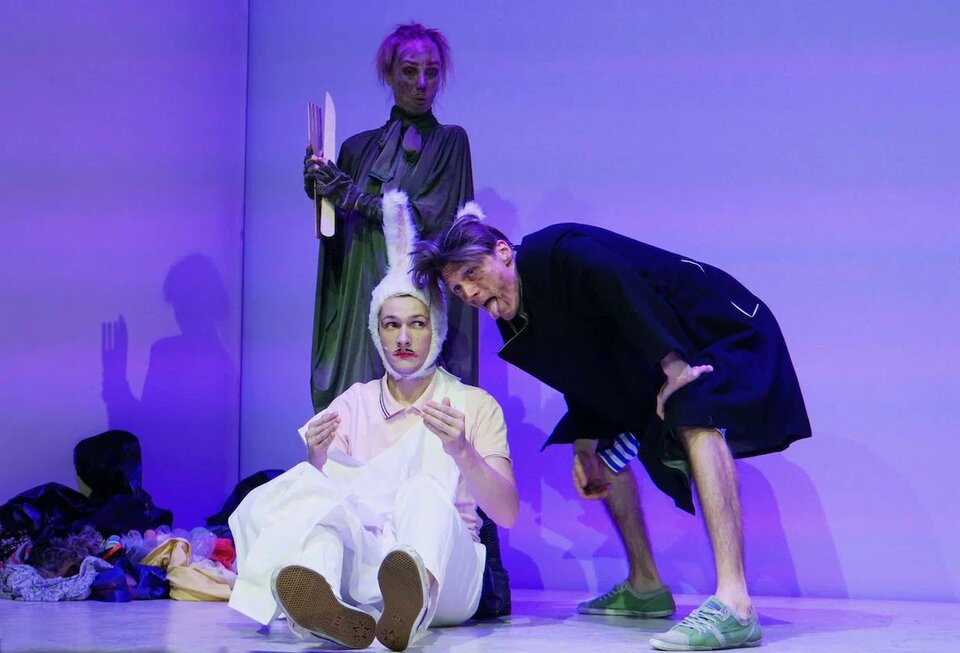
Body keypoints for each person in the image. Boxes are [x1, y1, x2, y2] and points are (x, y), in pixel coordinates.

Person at [411, 212, 812, 651]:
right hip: (654, 358)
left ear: (503, 253)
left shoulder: (554, 252)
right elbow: (579, 367)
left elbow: (624, 286)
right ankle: (646, 584)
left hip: (716, 330)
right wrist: (585, 445)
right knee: (603, 453)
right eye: (458, 289)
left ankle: (736, 603)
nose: (469, 293)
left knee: (693, 407)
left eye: (471, 274)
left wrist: (674, 366)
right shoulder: (516, 316)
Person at [229, 192, 517, 651]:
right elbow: (328, 501)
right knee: (310, 496)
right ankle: (324, 610)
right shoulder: (352, 404)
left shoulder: (473, 404)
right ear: (376, 331)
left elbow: (507, 514)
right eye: (390, 324)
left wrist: (462, 450)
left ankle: (410, 597)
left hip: (451, 573)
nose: (403, 338)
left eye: (417, 324)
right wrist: (315, 460)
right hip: (368, 567)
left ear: (436, 328)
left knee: (423, 492)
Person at [305, 22, 477, 415]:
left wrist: (354, 196)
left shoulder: (450, 142)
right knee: (357, 412)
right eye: (410, 71)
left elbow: (431, 221)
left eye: (432, 72)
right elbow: (336, 236)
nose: (422, 83)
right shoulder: (357, 148)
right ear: (389, 74)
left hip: (415, 296)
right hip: (359, 293)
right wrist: (320, 188)